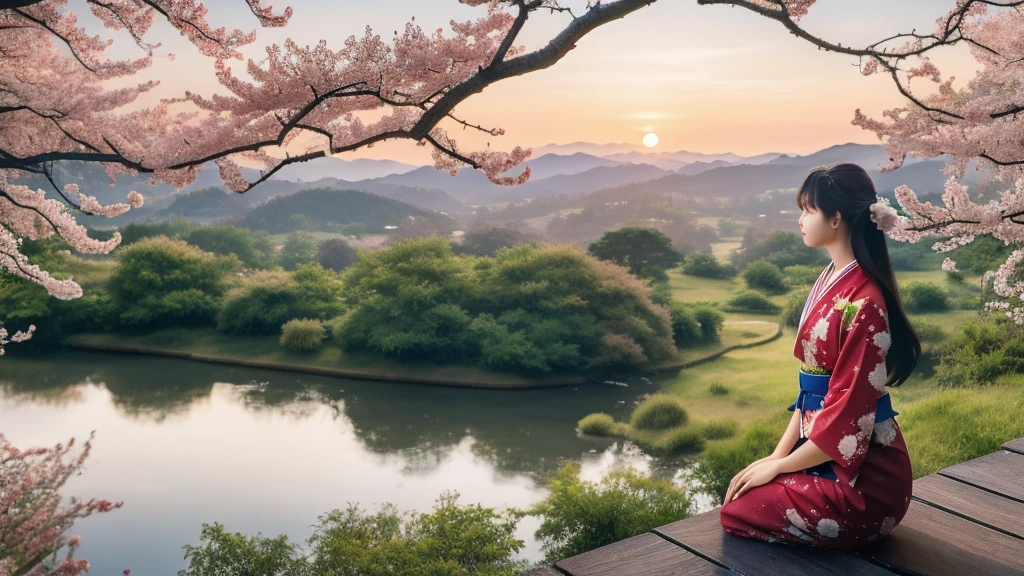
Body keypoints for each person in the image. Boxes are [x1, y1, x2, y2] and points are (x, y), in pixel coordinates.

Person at [718, 163, 921, 549]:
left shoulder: (866, 303)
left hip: (867, 481)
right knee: (744, 495)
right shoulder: (834, 277)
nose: (800, 219)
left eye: (808, 209)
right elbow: (813, 392)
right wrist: (775, 457)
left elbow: (849, 413)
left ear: (836, 217)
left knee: (738, 510)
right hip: (826, 448)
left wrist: (781, 466)